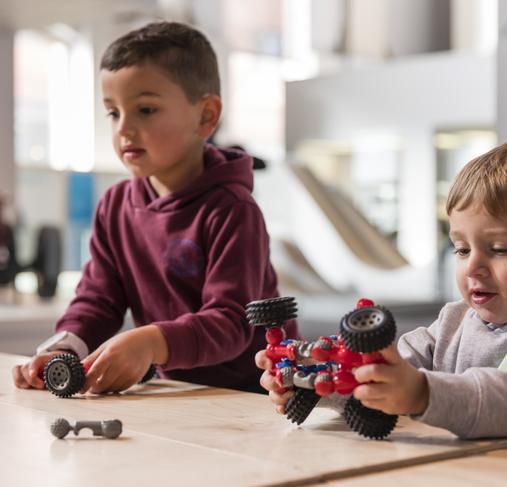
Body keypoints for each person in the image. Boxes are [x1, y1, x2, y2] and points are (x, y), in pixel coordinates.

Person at [256, 137, 507, 458]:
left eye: (500, 249)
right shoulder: (455, 322)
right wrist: (317, 381)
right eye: (461, 249)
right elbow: (391, 375)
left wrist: (424, 393)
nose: (474, 267)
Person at [13, 21, 297, 394]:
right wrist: (66, 348)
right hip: (177, 391)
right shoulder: (115, 206)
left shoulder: (232, 210)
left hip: (254, 396)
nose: (125, 128)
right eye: (113, 112)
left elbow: (231, 324)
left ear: (206, 116)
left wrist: (149, 342)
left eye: (146, 109)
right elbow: (98, 301)